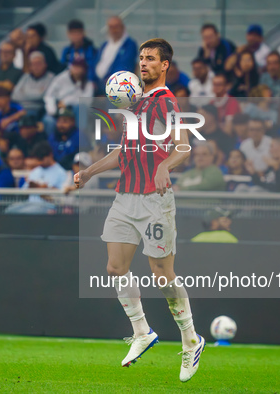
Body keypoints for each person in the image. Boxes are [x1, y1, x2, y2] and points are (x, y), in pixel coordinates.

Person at [74, 38, 205, 382]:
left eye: (151, 59)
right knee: (115, 267)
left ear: (165, 66)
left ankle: (191, 339)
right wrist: (89, 172)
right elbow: (123, 152)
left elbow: (183, 146)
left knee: (162, 275)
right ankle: (142, 331)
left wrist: (166, 166)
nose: (143, 63)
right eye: (141, 58)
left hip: (154, 200)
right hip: (125, 196)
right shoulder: (135, 105)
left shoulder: (165, 101)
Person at [5, 141, 66, 214]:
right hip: (30, 203)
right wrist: (31, 186)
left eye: (41, 158)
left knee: (24, 213)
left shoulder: (61, 173)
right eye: (38, 159)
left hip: (48, 206)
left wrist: (45, 189)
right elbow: (23, 191)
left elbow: (63, 197)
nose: (39, 161)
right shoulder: (35, 171)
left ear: (50, 155)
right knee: (9, 210)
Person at [95, 16, 138, 85]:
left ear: (122, 27)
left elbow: (124, 66)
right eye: (111, 27)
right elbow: (95, 62)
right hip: (97, 82)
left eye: (116, 27)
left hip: (115, 84)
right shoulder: (104, 45)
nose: (114, 30)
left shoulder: (129, 45)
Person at [11, 51, 55, 118]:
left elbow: (44, 97)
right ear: (30, 67)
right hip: (20, 109)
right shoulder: (25, 77)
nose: (36, 67)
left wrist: (25, 93)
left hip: (41, 110)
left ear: (45, 64)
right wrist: (37, 92)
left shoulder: (51, 77)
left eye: (38, 63)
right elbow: (14, 96)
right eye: (33, 64)